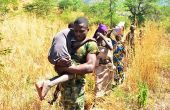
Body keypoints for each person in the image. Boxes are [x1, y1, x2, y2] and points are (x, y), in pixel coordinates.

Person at [37, 17, 99, 109]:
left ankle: (49, 82)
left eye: (81, 31)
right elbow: (58, 62)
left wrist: (65, 68)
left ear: (88, 30)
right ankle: (48, 83)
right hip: (64, 89)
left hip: (76, 92)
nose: (78, 34)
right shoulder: (68, 41)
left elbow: (90, 67)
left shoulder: (90, 44)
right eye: (76, 31)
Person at [93, 24, 115, 98]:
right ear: (99, 32)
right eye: (103, 32)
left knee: (107, 83)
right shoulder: (95, 41)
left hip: (108, 65)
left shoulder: (107, 40)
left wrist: (103, 37)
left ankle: (105, 99)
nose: (105, 33)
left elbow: (111, 48)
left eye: (105, 32)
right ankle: (96, 101)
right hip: (99, 66)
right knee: (98, 84)